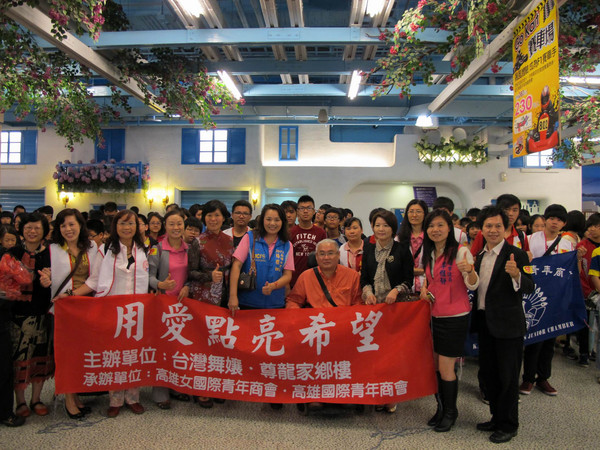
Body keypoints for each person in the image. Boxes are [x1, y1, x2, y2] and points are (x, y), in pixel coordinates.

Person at [472, 206, 534, 444]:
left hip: (508, 326)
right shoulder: (480, 256)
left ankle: (509, 425)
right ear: (481, 229)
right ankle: (496, 418)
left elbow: (531, 287)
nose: (493, 230)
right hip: (485, 323)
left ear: (506, 228)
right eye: (488, 226)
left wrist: (516, 275)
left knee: (508, 378)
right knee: (490, 375)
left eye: (498, 225)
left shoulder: (517, 254)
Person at [420, 210, 479, 432]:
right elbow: (430, 279)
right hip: (434, 315)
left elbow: (473, 284)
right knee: (435, 366)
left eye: (440, 225)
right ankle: (441, 408)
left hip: (455, 317)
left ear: (449, 228)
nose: (435, 230)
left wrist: (470, 271)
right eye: (431, 226)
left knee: (446, 368)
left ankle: (451, 413)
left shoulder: (461, 252)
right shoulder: (429, 253)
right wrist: (425, 289)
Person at [88, 209, 148, 417]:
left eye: (131, 223)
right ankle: (115, 399)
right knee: (114, 355)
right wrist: (70, 295)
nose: (127, 227)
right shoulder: (105, 249)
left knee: (133, 355)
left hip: (136, 311)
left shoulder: (142, 249)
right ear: (115, 226)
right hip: (112, 310)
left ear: (137, 227)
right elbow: (94, 279)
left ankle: (133, 398)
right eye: (122, 223)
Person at [360, 210, 413, 414]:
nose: (381, 229)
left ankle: (391, 395)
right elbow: (364, 278)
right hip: (374, 310)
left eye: (386, 225)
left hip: (395, 309)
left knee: (392, 354)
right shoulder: (368, 249)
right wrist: (367, 293)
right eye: (377, 225)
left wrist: (396, 290)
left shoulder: (402, 249)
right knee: (375, 354)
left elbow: (409, 279)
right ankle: (377, 392)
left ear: (393, 228)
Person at [49, 209, 99, 419]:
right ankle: (69, 399)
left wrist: (73, 294)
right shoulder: (52, 249)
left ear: (80, 225)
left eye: (72, 224)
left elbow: (95, 278)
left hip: (84, 306)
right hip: (63, 309)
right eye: (63, 225)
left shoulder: (92, 247)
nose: (68, 229)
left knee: (80, 354)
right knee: (66, 355)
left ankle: (76, 394)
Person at [521, 204, 575, 397]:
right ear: (545, 219)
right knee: (534, 338)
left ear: (564, 223)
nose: (555, 222)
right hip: (534, 295)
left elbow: (569, 272)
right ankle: (528, 378)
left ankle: (543, 377)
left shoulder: (567, 244)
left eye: (559, 220)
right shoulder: (530, 240)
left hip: (556, 297)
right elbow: (523, 266)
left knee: (550, 338)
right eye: (551, 218)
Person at [6, 213, 53, 419]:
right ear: (21, 231)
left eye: (37, 228)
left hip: (44, 312)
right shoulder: (12, 254)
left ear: (44, 231)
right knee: (20, 357)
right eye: (28, 228)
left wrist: (49, 280)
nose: (32, 232)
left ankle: (36, 399)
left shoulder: (51, 254)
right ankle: (21, 401)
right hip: (18, 315)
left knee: (41, 357)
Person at [148, 209, 191, 410]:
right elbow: (148, 275)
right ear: (165, 226)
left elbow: (192, 274)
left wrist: (187, 286)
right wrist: (160, 284)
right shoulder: (157, 249)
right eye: (171, 224)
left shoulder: (189, 248)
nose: (176, 227)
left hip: (183, 308)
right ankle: (160, 393)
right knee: (163, 349)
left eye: (179, 224)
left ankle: (176, 386)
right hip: (163, 306)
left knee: (179, 349)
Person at [229, 203, 294, 313]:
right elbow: (236, 265)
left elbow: (287, 275)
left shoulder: (287, 245)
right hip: (248, 302)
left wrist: (273, 286)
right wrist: (233, 296)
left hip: (275, 303)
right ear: (262, 220)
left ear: (283, 222)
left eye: (277, 220)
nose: (272, 223)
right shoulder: (250, 237)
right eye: (268, 219)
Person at [286, 239, 361, 308]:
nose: (326, 257)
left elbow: (358, 303)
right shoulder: (305, 277)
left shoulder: (352, 276)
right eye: (322, 254)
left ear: (338, 255)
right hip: (315, 316)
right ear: (316, 256)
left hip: (342, 317)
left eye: (330, 253)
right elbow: (293, 301)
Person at [187, 200, 233, 306]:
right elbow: (191, 272)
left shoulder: (230, 240)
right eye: (209, 215)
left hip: (227, 294)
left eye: (217, 215)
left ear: (223, 218)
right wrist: (209, 276)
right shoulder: (198, 241)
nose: (213, 219)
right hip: (204, 294)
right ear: (204, 218)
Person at [575, 213, 600, 368]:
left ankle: (594, 352)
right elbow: (578, 272)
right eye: (590, 225)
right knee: (585, 323)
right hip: (585, 290)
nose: (592, 229)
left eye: (596, 226)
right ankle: (584, 353)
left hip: (597, 290)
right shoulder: (582, 246)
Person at [289, 195, 326, 287]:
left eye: (309, 208)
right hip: (294, 280)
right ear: (297, 212)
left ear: (314, 211)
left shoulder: (321, 232)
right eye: (302, 208)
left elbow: (323, 257)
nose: (305, 211)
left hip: (315, 279)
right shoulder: (290, 232)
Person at [397, 199, 429, 295]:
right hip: (405, 287)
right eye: (411, 211)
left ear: (425, 214)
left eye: (418, 211)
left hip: (427, 287)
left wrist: (411, 271)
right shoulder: (399, 239)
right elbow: (398, 266)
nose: (414, 215)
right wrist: (422, 271)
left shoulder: (430, 237)